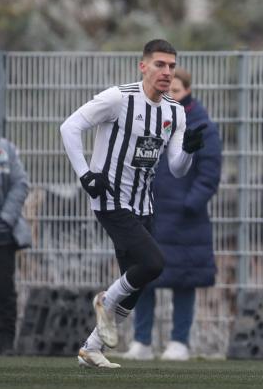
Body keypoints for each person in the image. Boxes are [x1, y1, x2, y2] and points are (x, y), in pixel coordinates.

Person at [59, 39, 204, 369]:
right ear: (143, 66)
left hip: (144, 204)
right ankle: (104, 300)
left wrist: (190, 151)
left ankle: (91, 349)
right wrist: (85, 174)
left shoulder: (174, 112)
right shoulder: (118, 98)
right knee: (153, 263)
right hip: (110, 198)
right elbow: (70, 127)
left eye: (171, 66)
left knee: (136, 282)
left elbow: (179, 169)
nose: (166, 72)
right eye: (159, 65)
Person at [121, 70, 222, 361]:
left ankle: (179, 342)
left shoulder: (202, 125)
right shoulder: (153, 120)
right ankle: (141, 342)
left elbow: (210, 172)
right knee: (142, 278)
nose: (171, 95)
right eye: (167, 90)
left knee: (184, 281)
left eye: (176, 90)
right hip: (149, 213)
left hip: (186, 220)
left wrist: (189, 204)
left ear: (188, 90)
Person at [0, 138, 31, 355]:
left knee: (4, 291)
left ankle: (6, 344)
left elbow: (21, 184)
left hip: (3, 236)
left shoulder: (5, 149)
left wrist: (5, 219)